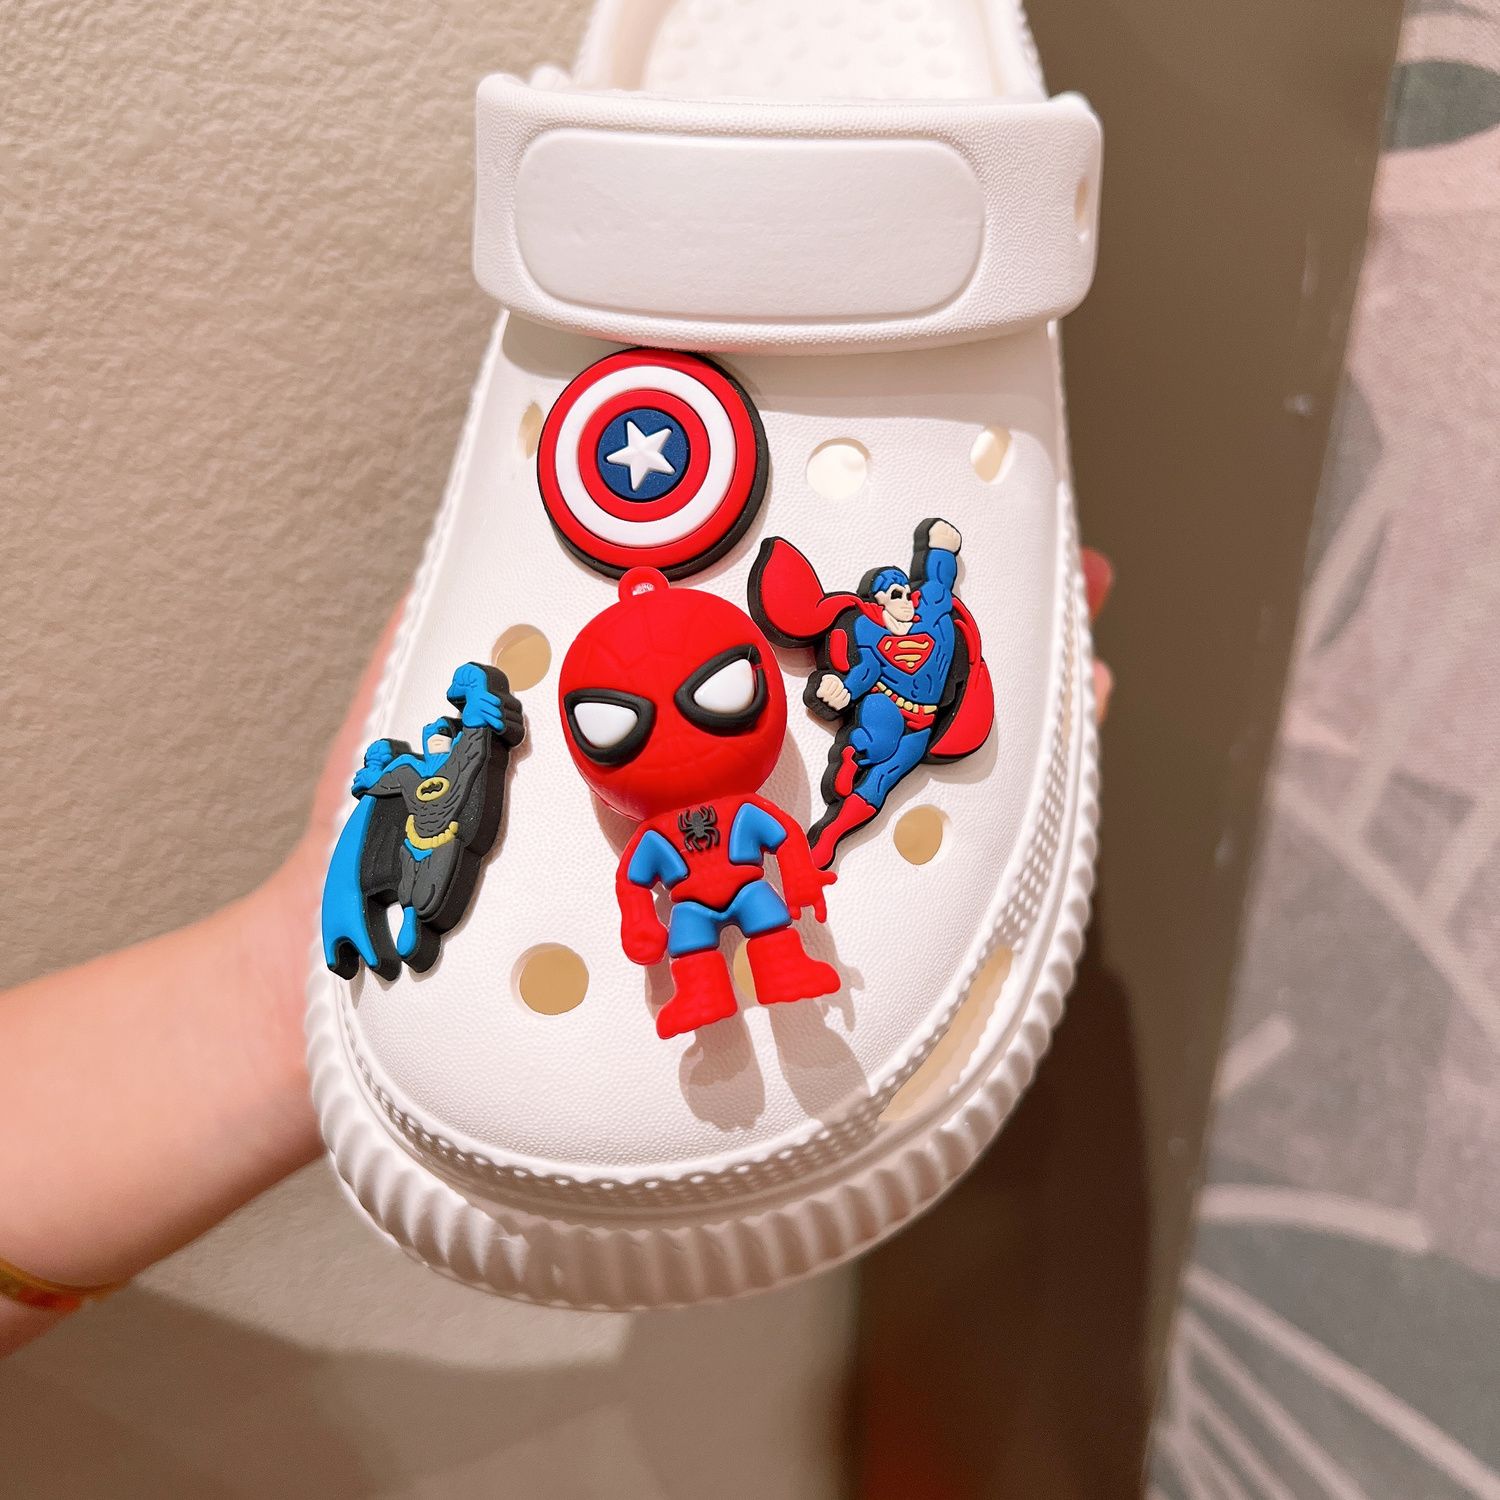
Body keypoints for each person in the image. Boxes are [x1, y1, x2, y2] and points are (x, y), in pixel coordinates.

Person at [0, 555, 1113, 1356]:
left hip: (730, 878)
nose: (677, 723)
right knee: (716, 942)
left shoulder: (743, 790)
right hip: (697, 894)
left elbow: (768, 843)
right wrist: (646, 924)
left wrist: (801, 875)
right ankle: (702, 997)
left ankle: (782, 977)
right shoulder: (676, 805)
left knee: (771, 935)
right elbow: (652, 871)